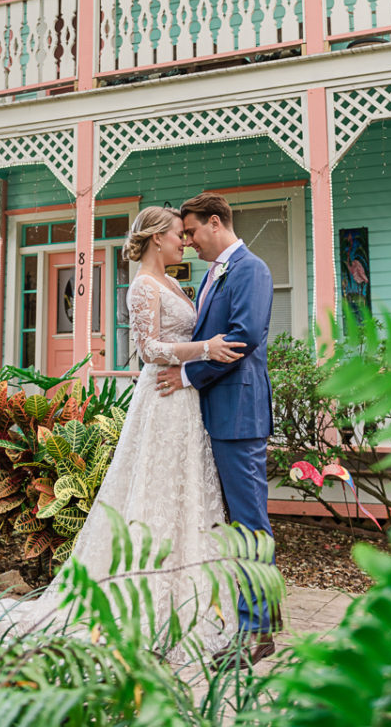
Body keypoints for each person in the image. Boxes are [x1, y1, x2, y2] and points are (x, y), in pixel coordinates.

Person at [0, 206, 242, 655]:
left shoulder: (174, 282)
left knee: (186, 492)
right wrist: (205, 348)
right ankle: (143, 597)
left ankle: (193, 595)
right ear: (157, 238)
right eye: (179, 234)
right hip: (161, 403)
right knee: (152, 493)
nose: (185, 241)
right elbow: (148, 348)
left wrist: (200, 358)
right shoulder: (142, 286)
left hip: (185, 401)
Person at [155, 193, 277, 667]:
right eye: (182, 236)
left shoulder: (251, 269)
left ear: (214, 222)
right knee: (231, 525)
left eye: (191, 232)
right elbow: (208, 340)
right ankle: (249, 615)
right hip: (211, 413)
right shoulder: (212, 275)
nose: (188, 241)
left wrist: (186, 375)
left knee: (249, 525)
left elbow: (244, 337)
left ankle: (257, 630)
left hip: (238, 414)